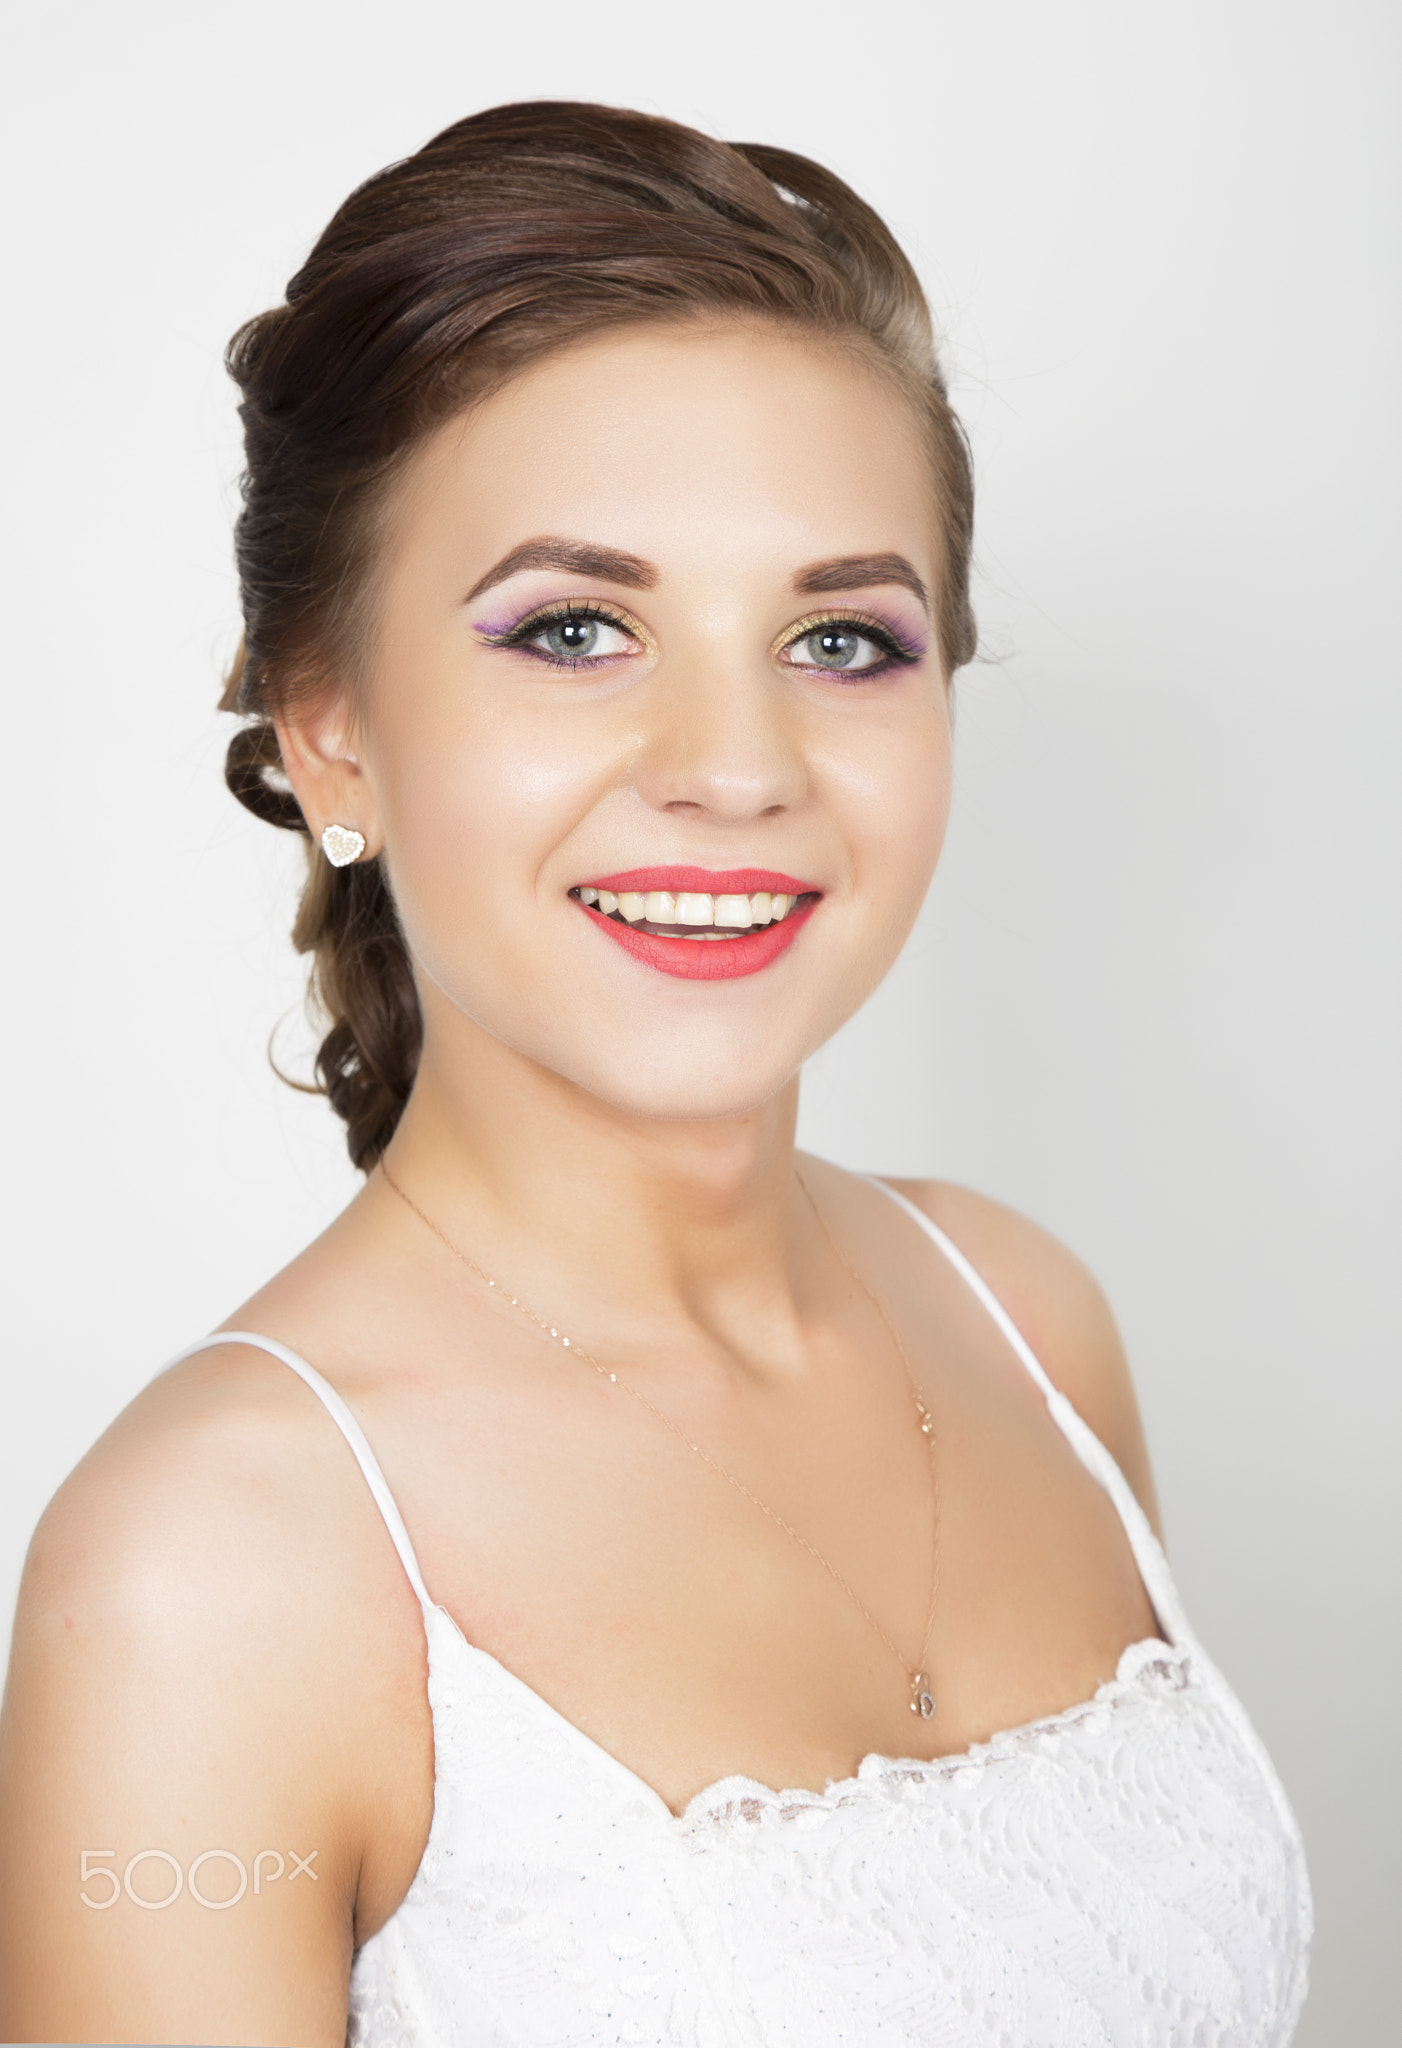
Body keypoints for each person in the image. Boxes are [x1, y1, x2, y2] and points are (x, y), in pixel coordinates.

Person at [0, 101, 1310, 2046]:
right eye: (579, 626)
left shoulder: (1026, 1318)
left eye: (842, 637)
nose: (736, 761)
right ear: (330, 728)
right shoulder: (207, 1573)